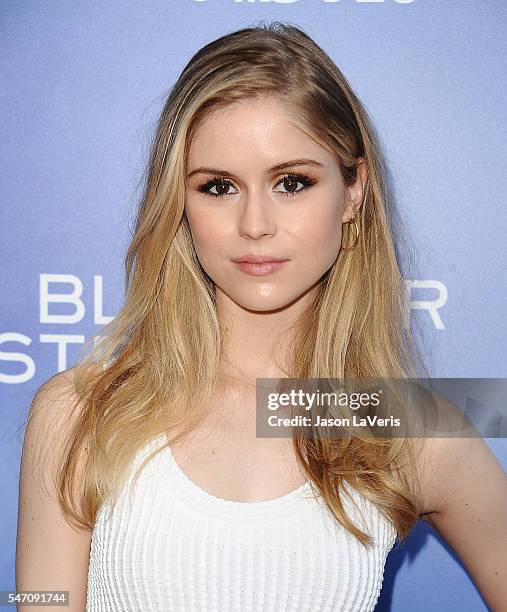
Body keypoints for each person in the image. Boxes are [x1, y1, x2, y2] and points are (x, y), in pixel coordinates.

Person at [16, 21, 507, 612]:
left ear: (354, 192)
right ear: (178, 200)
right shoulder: (78, 414)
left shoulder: (408, 427)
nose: (254, 224)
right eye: (219, 186)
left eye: (292, 182)